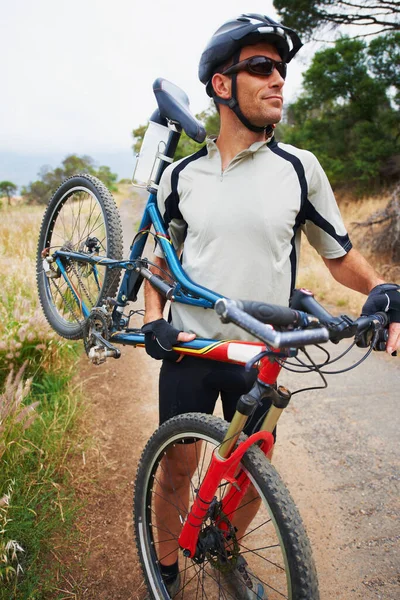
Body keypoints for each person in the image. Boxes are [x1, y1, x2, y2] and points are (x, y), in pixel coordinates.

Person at [142, 13, 400, 599]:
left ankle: (223, 548)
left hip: (258, 351)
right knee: (178, 467)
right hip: (188, 346)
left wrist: (386, 292)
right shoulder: (181, 175)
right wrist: (154, 321)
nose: (278, 79)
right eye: (260, 67)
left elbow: (338, 256)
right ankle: (165, 560)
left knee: (252, 478)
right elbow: (160, 261)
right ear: (221, 85)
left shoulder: (298, 168)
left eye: (281, 69)